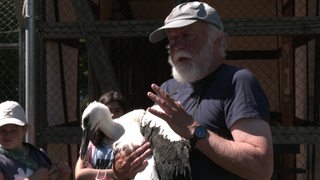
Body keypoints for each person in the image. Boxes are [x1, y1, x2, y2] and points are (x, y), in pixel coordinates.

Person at [113, 1, 274, 180]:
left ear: (217, 40)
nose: (177, 45)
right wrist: (122, 168)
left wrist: (192, 129)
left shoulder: (237, 82)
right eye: (172, 39)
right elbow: (149, 157)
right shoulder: (168, 88)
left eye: (187, 35)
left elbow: (261, 168)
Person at [0, 100, 71, 180]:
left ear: (25, 129)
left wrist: (63, 176)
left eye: (14, 130)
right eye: (2, 130)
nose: (8, 134)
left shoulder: (38, 155)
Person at [75, 91, 131, 180]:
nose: (113, 115)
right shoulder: (92, 144)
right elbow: (79, 175)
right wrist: (115, 173)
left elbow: (130, 173)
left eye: (118, 111)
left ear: (124, 112)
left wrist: (94, 172)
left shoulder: (130, 141)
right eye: (109, 111)